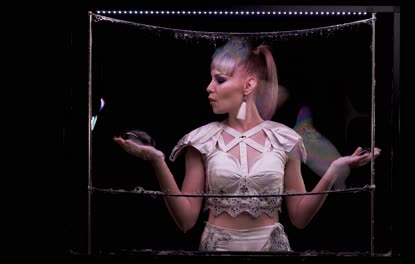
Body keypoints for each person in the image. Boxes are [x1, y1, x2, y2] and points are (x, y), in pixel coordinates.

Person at [113, 38, 381, 251]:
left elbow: (299, 217)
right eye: (211, 78)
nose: (209, 87)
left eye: (220, 79)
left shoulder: (284, 139)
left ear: (249, 84)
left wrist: (334, 170)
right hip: (216, 250)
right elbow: (185, 221)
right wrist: (158, 160)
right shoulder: (201, 140)